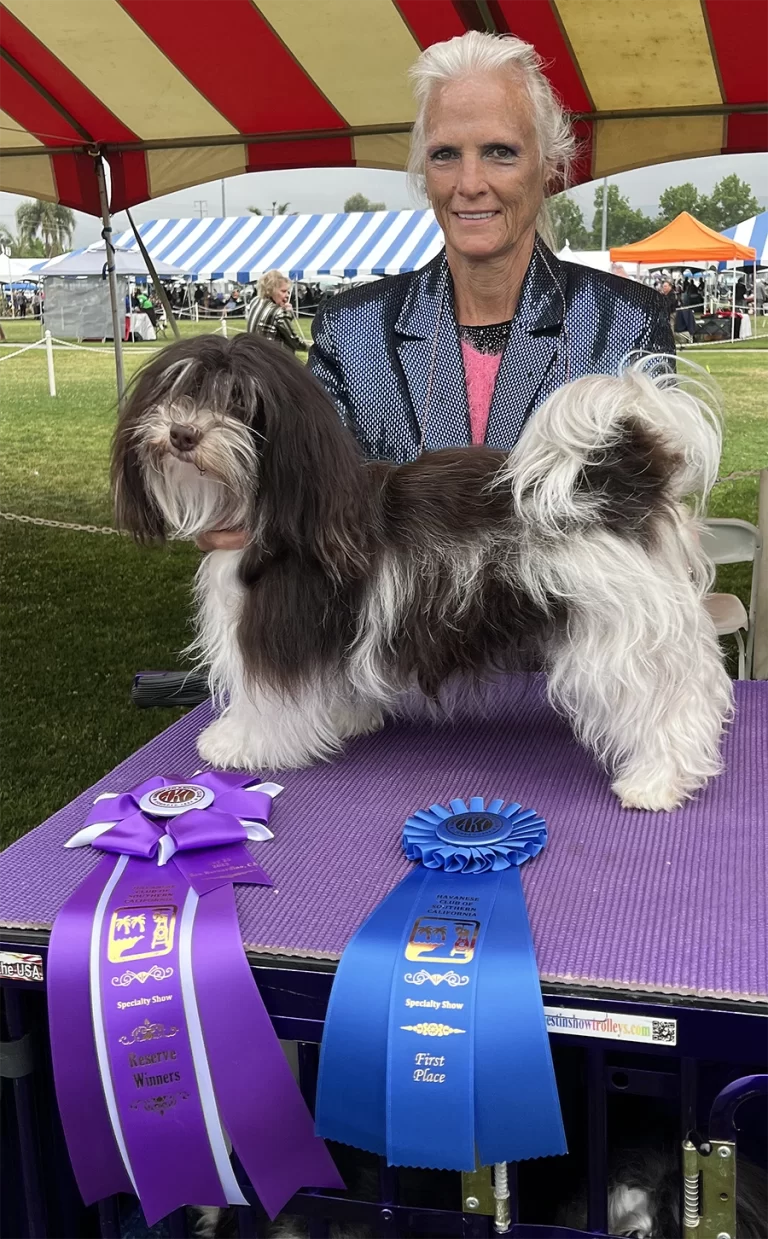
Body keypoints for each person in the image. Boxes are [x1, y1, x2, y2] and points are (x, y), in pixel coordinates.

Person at [198, 30, 672, 551]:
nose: (469, 183)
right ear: (424, 171)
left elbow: (645, 521)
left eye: (500, 152)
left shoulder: (626, 321)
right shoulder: (351, 329)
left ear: (550, 165)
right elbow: (312, 490)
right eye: (445, 154)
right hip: (395, 632)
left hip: (569, 629)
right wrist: (260, 509)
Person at [246, 270, 306, 353]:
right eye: (283, 291)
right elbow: (294, 341)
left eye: (288, 292)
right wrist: (310, 348)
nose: (287, 295)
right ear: (271, 290)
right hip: (270, 358)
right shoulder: (278, 312)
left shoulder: (255, 301)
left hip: (251, 353)